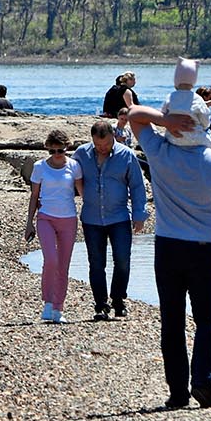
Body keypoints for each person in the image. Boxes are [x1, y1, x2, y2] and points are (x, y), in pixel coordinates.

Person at [124, 94, 211, 409]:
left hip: (168, 246)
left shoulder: (159, 150)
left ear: (173, 122)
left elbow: (134, 113)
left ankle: (178, 392)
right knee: (209, 318)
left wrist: (164, 122)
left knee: (172, 320)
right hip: (204, 247)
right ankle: (203, 379)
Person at [73, 118, 146, 320]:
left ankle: (118, 300)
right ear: (92, 140)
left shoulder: (127, 155)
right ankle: (100, 304)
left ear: (114, 137)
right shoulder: (81, 154)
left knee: (122, 261)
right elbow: (70, 178)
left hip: (119, 217)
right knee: (96, 263)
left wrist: (139, 214)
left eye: (106, 145)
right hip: (91, 218)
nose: (102, 148)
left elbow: (137, 187)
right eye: (98, 145)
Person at [24, 129, 82, 323]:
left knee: (63, 265)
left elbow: (83, 194)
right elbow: (34, 196)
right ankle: (47, 303)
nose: (57, 154)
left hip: (69, 219)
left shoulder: (74, 166)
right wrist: (29, 223)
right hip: (46, 218)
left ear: (67, 148)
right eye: (53, 151)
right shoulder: (40, 167)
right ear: (47, 149)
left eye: (61, 150)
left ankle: (58, 309)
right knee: (51, 260)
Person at [102, 71, 140, 145]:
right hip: (119, 113)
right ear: (128, 80)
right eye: (133, 80)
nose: (135, 82)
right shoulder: (126, 91)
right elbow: (131, 106)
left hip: (110, 113)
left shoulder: (114, 89)